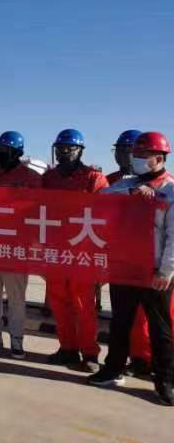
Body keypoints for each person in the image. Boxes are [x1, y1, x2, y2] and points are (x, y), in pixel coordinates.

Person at [87, 132, 174, 406]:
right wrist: (131, 193)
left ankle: (166, 380)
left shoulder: (170, 190)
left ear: (159, 158)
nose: (136, 159)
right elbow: (101, 197)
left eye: (142, 156)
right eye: (135, 155)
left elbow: (173, 236)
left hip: (153, 271)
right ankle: (113, 369)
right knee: (120, 322)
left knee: (160, 329)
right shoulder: (126, 183)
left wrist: (166, 271)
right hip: (124, 267)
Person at [42, 129, 108, 373]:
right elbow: (37, 207)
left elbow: (106, 213)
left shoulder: (93, 178)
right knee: (59, 302)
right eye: (59, 149)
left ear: (80, 151)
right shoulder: (49, 178)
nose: (63, 153)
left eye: (68, 148)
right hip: (55, 250)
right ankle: (67, 347)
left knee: (83, 304)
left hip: (83, 252)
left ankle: (90, 353)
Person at [0, 131, 41, 359]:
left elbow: (38, 210)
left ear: (16, 152)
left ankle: (17, 336)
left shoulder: (31, 178)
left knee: (16, 296)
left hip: (16, 246)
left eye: (4, 150)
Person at [106, 129, 155, 375]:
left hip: (148, 259)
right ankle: (121, 361)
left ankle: (143, 359)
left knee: (145, 316)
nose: (125, 156)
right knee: (122, 315)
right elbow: (99, 202)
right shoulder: (112, 180)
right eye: (121, 150)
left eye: (130, 151)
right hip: (119, 256)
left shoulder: (158, 182)